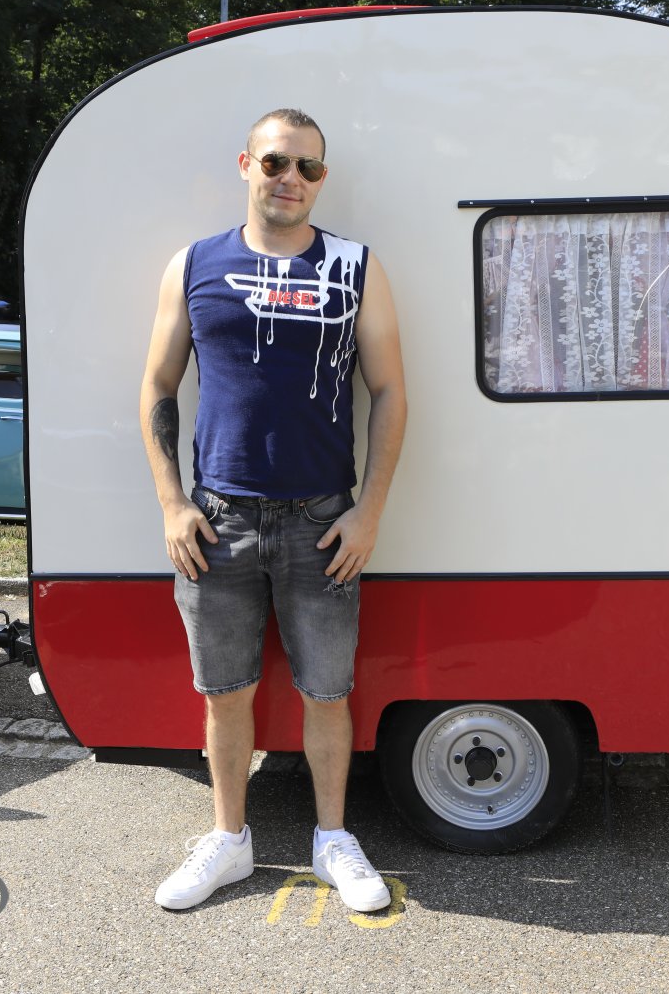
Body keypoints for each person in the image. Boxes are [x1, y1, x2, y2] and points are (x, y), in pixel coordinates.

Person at [140, 107, 407, 914]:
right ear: (246, 165)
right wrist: (172, 503)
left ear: (321, 179)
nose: (291, 178)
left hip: (322, 521)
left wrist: (369, 513)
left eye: (308, 167)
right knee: (225, 691)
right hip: (218, 520)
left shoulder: (355, 266)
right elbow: (157, 386)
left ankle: (333, 838)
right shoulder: (194, 263)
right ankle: (229, 839)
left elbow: (390, 391)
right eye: (276, 162)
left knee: (327, 691)